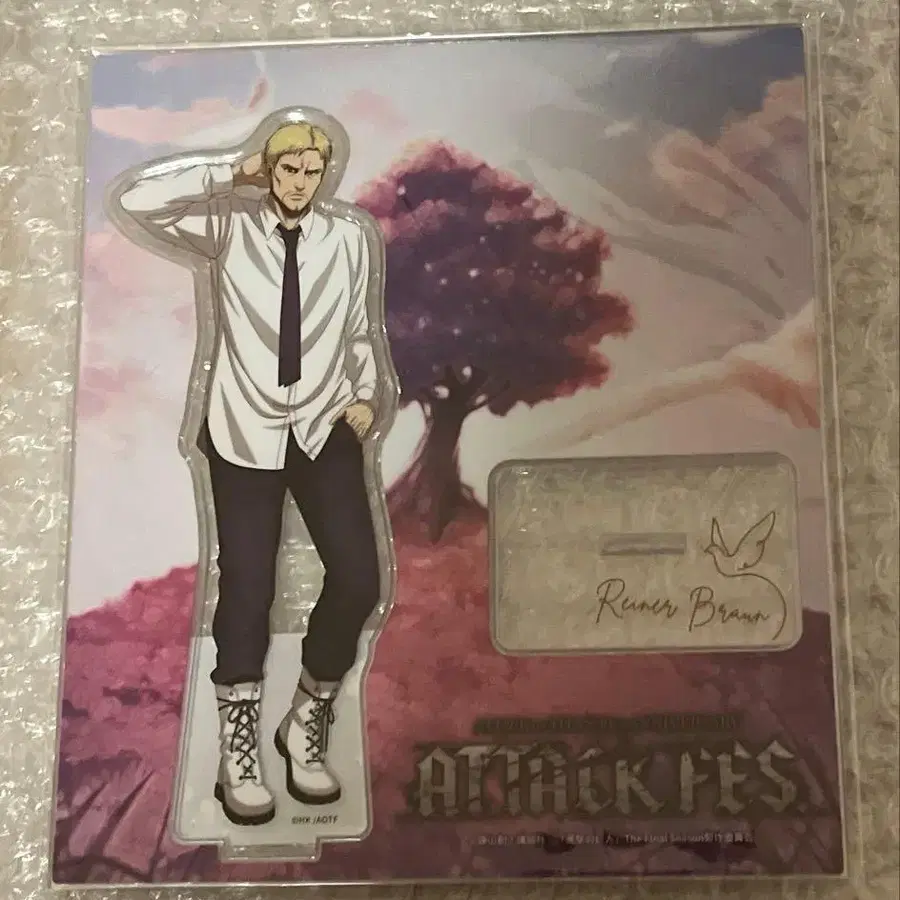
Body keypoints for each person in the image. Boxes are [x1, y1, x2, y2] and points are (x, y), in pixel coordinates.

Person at [115, 120, 387, 826]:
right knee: (247, 588)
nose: (299, 183)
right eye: (287, 169)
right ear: (269, 168)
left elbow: (359, 327)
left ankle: (309, 713)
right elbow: (138, 202)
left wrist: (365, 395)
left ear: (325, 173)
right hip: (244, 430)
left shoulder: (349, 236)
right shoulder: (228, 226)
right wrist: (229, 171)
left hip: (324, 424)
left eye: (311, 171)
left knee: (360, 578)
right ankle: (239, 745)